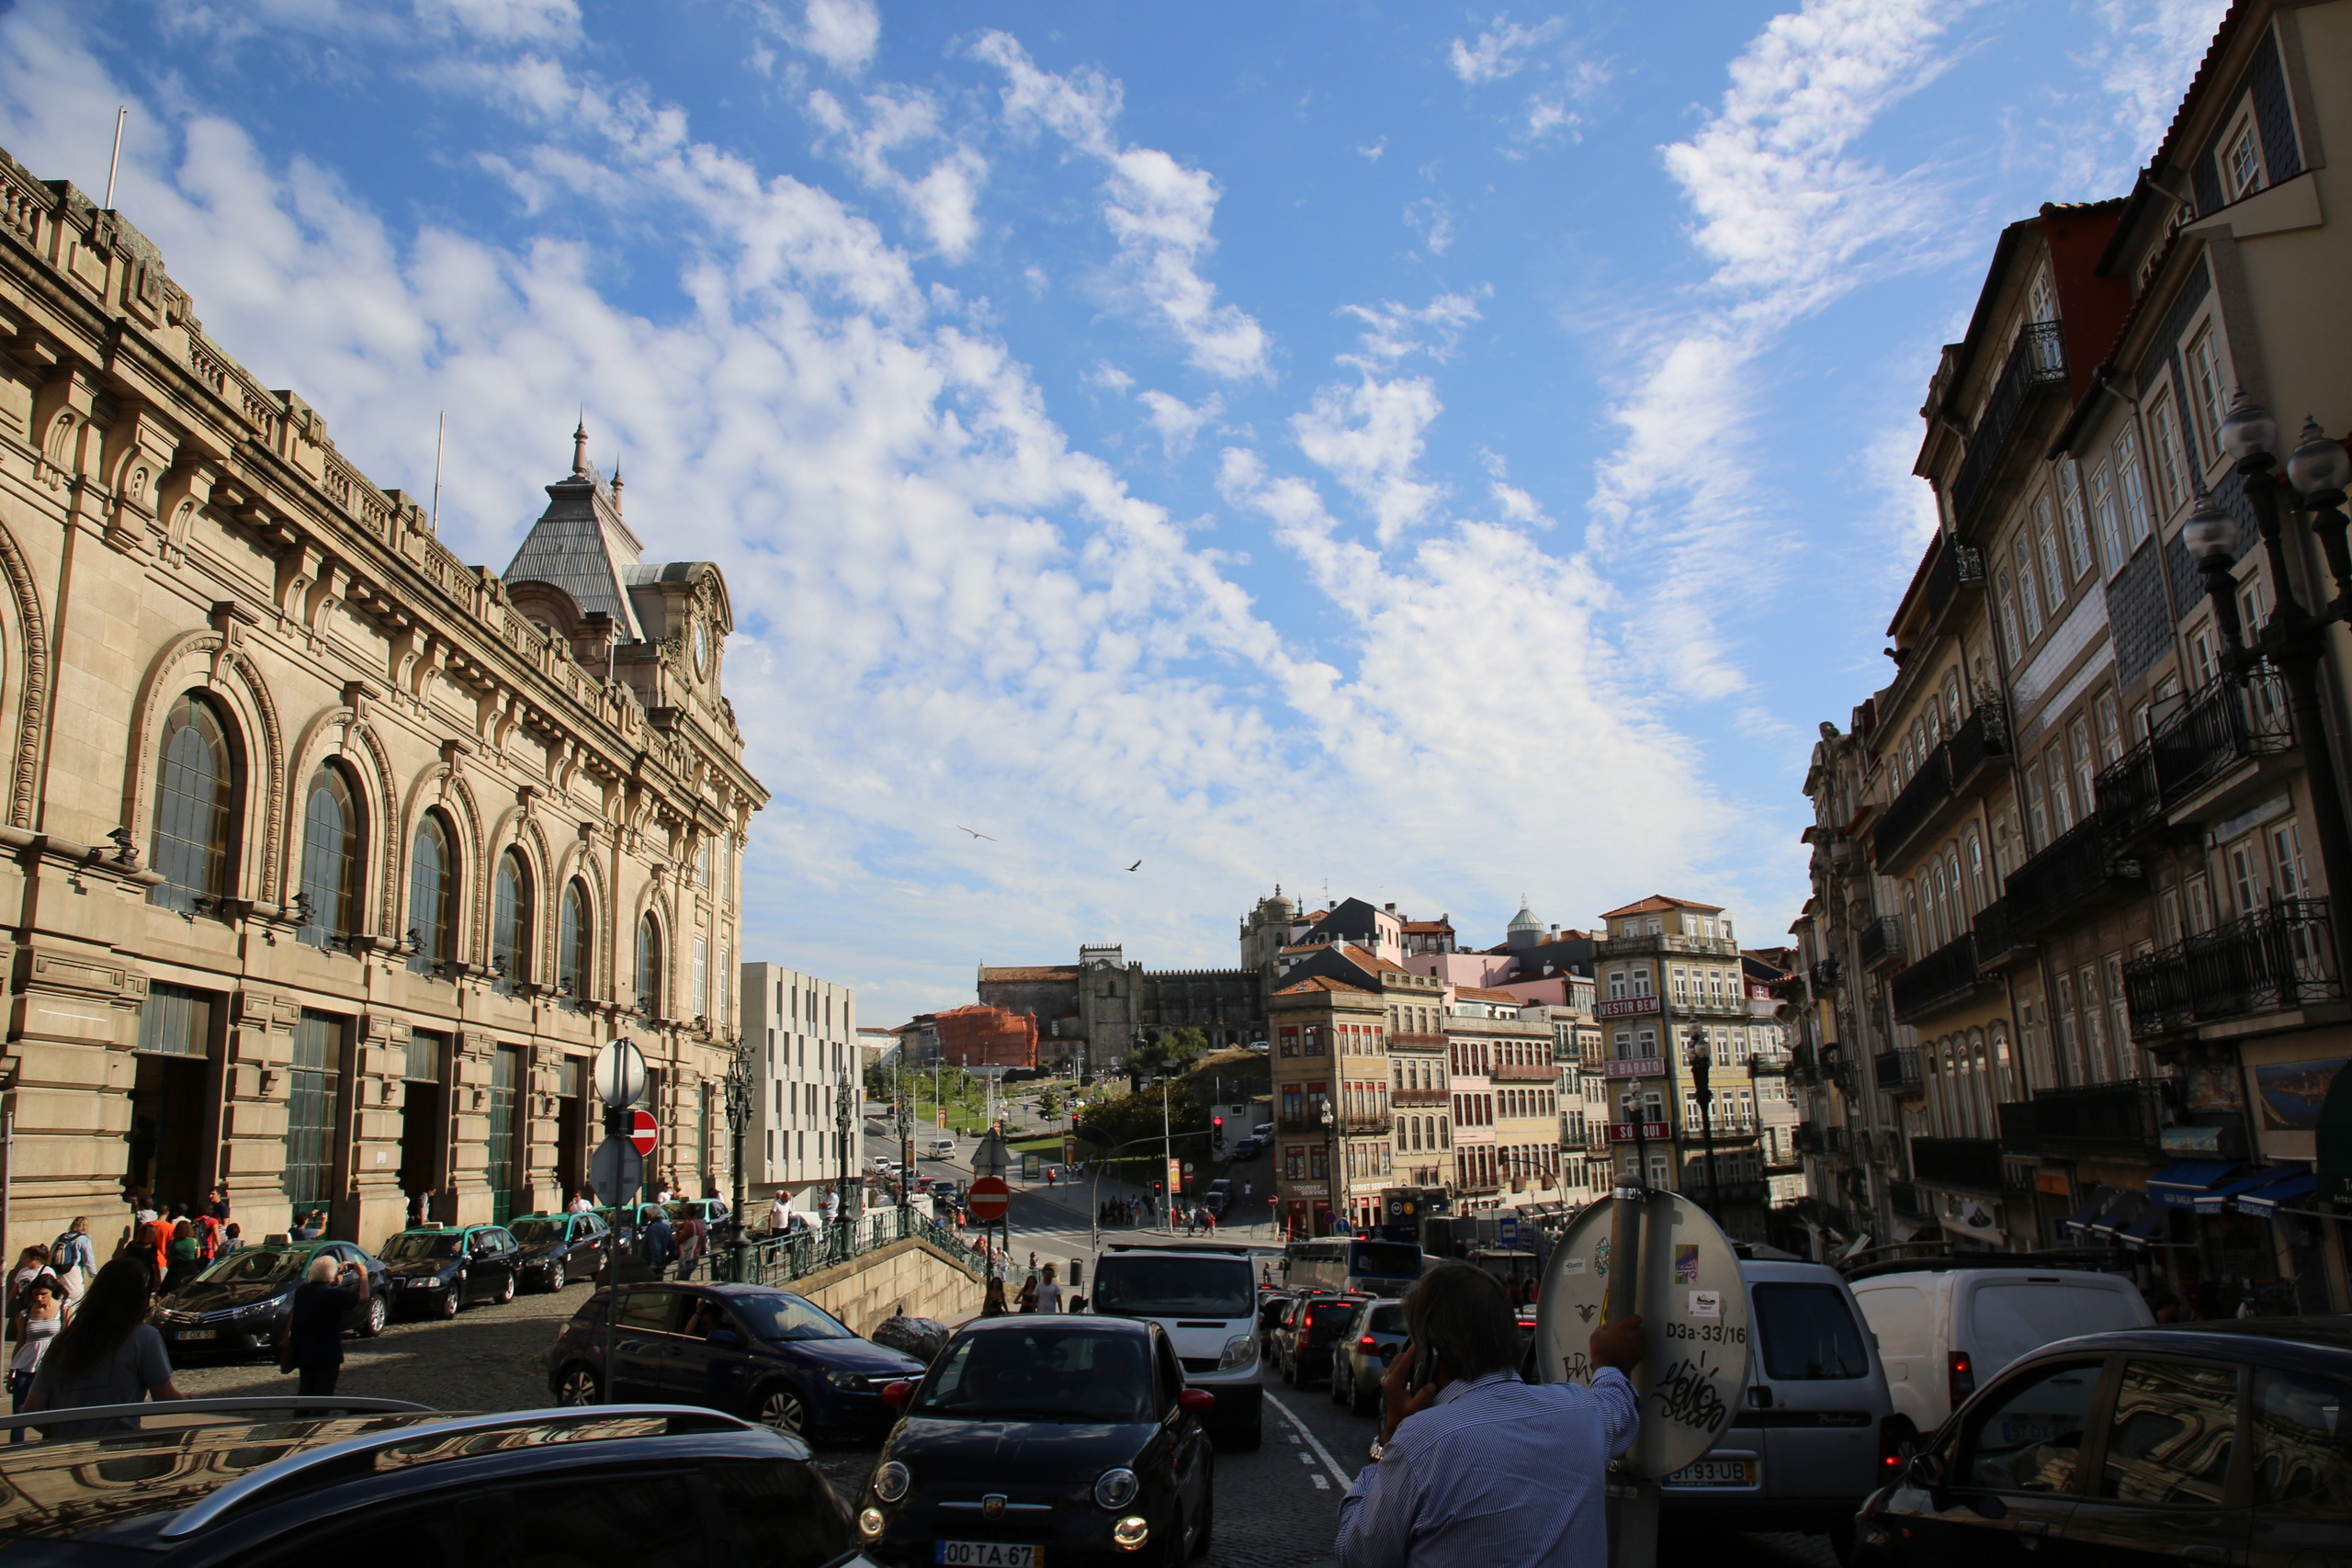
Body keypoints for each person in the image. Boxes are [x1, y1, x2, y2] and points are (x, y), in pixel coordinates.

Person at [1336, 1263, 1643, 1568]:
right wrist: (1607, 1363)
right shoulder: (1581, 1412)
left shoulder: (1420, 1442)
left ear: (1427, 1356)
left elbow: (1359, 1556)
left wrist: (1390, 1432)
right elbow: (1619, 1402)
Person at [23, 1258, 184, 1438]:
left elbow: (32, 1410)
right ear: (139, 1295)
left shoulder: (63, 1342)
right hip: (116, 1452)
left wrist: (63, 1435)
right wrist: (195, 1401)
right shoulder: (144, 1338)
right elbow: (165, 1398)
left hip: (65, 1455)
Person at [280, 1254, 368, 1396]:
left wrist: (335, 1276)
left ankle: (301, 1417)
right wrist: (363, 1275)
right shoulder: (333, 1295)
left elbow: (318, 1296)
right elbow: (364, 1297)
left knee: (306, 1390)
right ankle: (319, 1418)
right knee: (324, 1392)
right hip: (327, 1352)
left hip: (304, 1349)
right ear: (330, 1276)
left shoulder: (303, 1291)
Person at [8, 1274, 62, 1437]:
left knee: (51, 1409)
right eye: (35, 1294)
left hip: (52, 1367)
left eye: (43, 1294)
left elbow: (70, 1339)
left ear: (52, 1291)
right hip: (27, 1365)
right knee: (19, 1410)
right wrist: (12, 1371)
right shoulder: (25, 1314)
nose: (38, 1298)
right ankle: (15, 1448)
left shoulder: (64, 1308)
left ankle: (51, 1442)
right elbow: (20, 1342)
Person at [640, 1207, 677, 1280]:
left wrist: (654, 1263)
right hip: (660, 1264)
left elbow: (655, 1247)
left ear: (650, 1215)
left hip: (651, 1265)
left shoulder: (654, 1228)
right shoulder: (665, 1228)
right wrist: (666, 1261)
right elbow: (673, 1249)